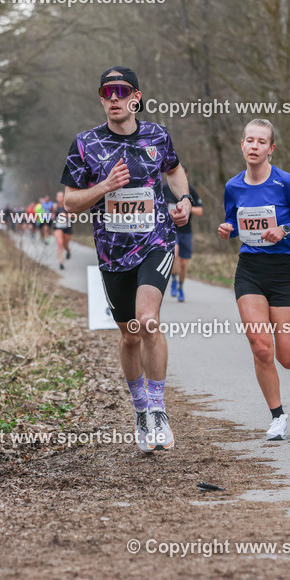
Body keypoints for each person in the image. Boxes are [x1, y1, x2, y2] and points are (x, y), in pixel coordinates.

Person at [61, 66, 192, 453]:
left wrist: (182, 200)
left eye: (121, 91)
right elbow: (69, 202)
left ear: (136, 96)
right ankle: (139, 409)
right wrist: (104, 186)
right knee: (130, 334)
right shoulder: (85, 144)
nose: (113, 98)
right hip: (113, 254)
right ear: (101, 98)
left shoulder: (157, 135)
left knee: (149, 321)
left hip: (156, 241)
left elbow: (175, 169)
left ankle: (158, 409)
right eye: (106, 92)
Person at [218, 119, 290, 440]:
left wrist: (284, 229)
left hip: (284, 272)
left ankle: (281, 345)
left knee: (287, 358)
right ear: (242, 145)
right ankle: (277, 416)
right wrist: (227, 228)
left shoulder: (286, 183)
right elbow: (232, 218)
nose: (255, 146)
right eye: (249, 140)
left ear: (271, 148)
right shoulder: (233, 186)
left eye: (262, 142)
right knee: (261, 347)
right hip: (249, 270)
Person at [163, 182, 203, 302]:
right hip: (170, 229)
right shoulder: (164, 188)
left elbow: (200, 211)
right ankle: (174, 279)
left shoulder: (190, 190)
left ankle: (180, 287)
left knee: (183, 263)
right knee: (175, 253)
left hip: (185, 230)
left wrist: (186, 208)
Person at [53, 190, 73, 269]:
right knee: (60, 244)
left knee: (65, 245)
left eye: (62, 196)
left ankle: (68, 251)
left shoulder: (68, 206)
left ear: (64, 197)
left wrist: (66, 215)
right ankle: (61, 263)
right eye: (59, 196)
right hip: (58, 227)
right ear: (56, 198)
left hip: (67, 228)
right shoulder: (55, 206)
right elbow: (53, 217)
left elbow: (74, 216)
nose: (60, 198)